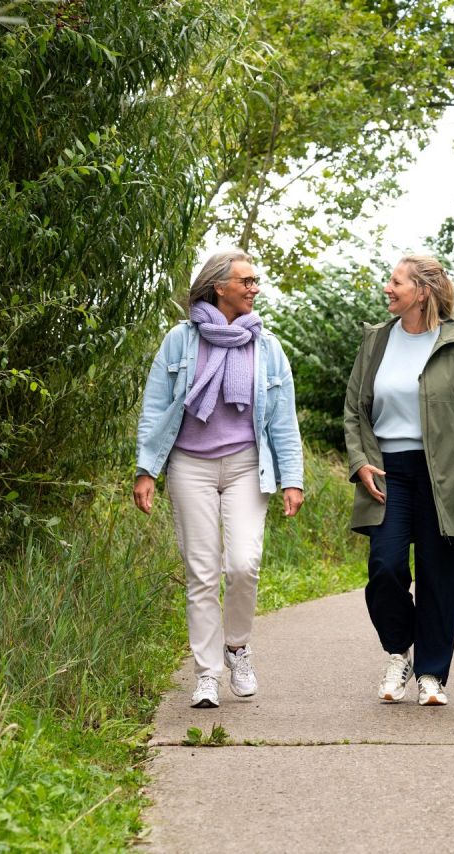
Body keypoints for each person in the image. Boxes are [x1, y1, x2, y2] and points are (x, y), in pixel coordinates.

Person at [134, 250, 304, 708]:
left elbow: (283, 420)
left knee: (244, 564)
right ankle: (207, 673)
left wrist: (292, 477)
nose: (254, 288)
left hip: (247, 465)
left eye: (255, 281)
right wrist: (146, 470)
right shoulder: (180, 340)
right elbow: (155, 407)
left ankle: (237, 648)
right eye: (246, 281)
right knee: (202, 573)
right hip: (190, 466)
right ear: (219, 287)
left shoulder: (267, 347)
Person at [342, 255, 454, 706]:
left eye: (396, 282)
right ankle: (400, 651)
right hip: (387, 472)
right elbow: (354, 409)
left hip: (445, 475)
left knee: (438, 576)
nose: (387, 288)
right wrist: (359, 461)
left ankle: (432, 674)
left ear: (422, 292)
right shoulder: (376, 340)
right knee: (385, 567)